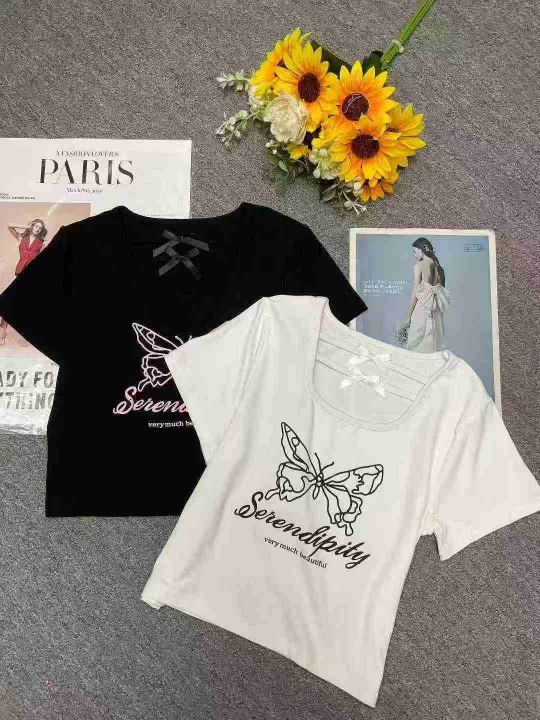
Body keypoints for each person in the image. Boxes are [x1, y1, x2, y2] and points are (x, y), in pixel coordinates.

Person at [0, 218, 48, 344]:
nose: (37, 229)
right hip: (18, 274)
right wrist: (27, 227)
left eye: (40, 228)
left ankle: (25, 335)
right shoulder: (21, 239)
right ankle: (2, 329)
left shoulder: (41, 244)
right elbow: (9, 225)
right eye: (35, 226)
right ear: (32, 226)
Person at [404, 237, 450, 352]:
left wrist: (408, 317)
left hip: (423, 308)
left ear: (422, 249)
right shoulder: (438, 267)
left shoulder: (419, 266)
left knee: (415, 344)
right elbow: (442, 289)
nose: (414, 254)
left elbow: (414, 294)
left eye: (415, 251)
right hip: (436, 309)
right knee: (433, 343)